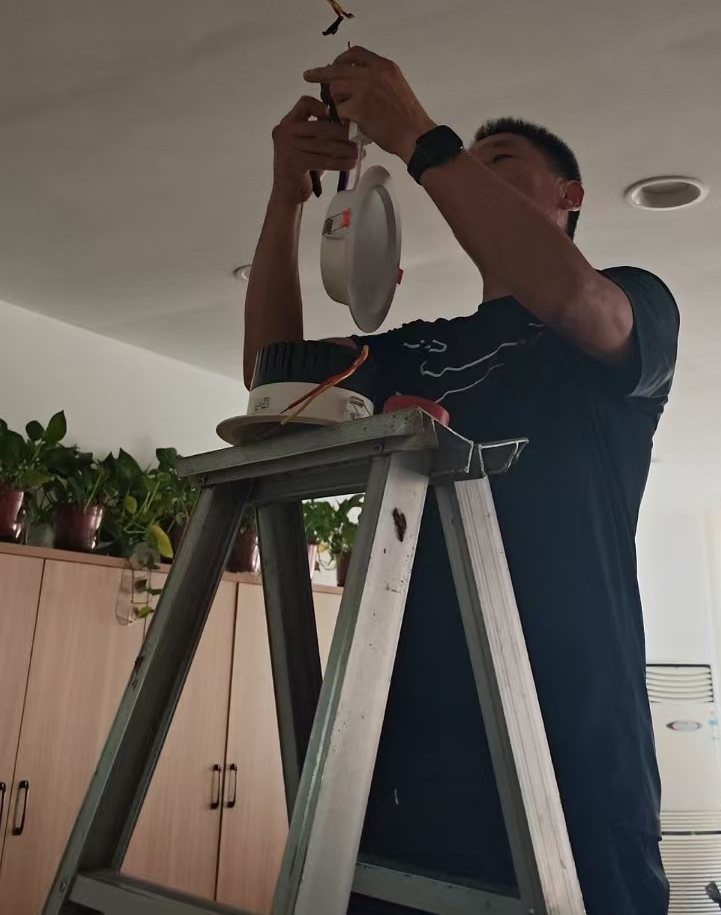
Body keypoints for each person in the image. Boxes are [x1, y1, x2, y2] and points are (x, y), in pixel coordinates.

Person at [244, 46, 679, 915]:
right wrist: (286, 196)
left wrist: (421, 137)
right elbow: (274, 381)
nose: (472, 174)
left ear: (571, 195)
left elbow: (578, 303)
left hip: (573, 732)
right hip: (408, 730)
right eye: (468, 165)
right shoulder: (423, 347)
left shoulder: (629, 300)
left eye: (501, 162)